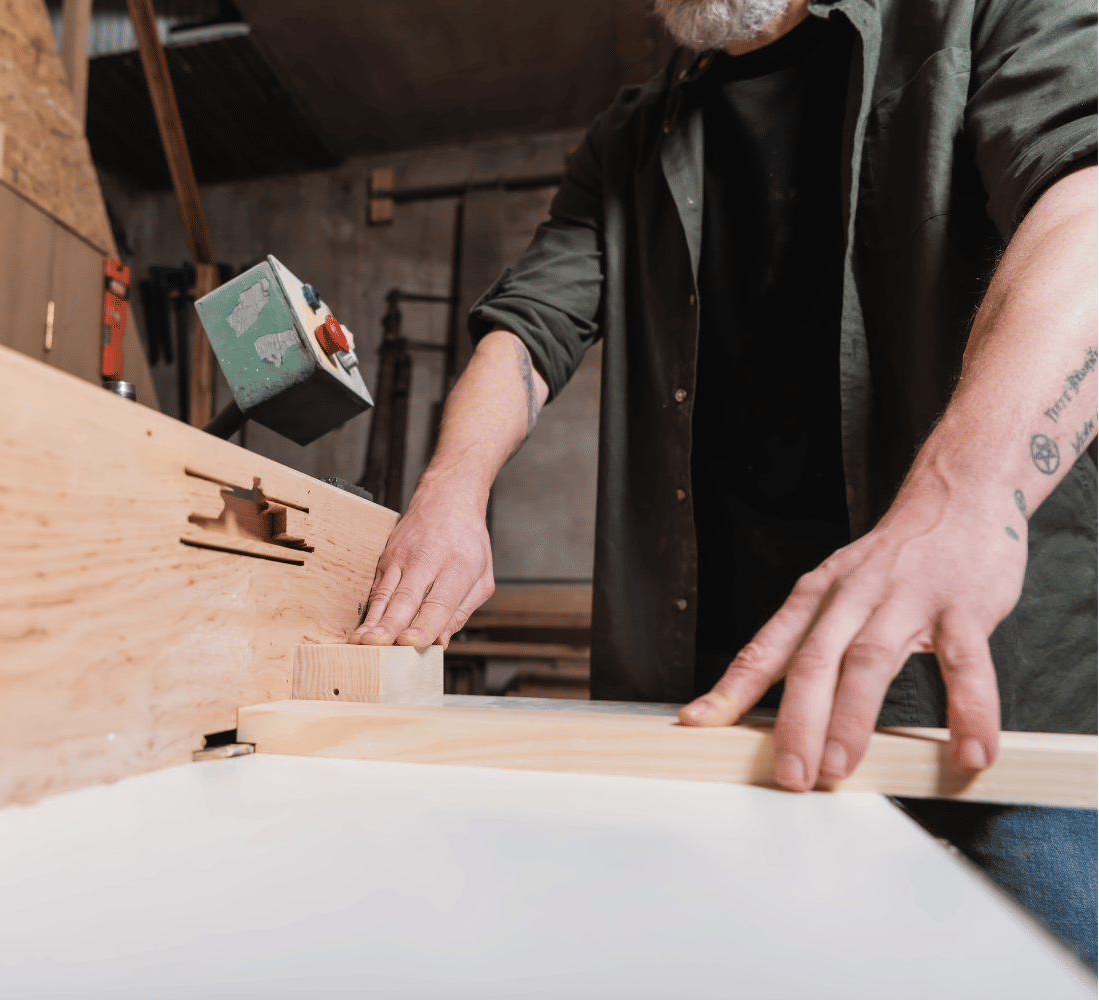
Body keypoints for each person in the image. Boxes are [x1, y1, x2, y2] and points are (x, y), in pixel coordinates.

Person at [349, 0, 1097, 963]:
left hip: (992, 726)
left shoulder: (979, 16)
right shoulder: (628, 137)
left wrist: (967, 493)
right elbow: (531, 327)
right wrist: (452, 491)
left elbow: (1083, 199)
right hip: (719, 719)